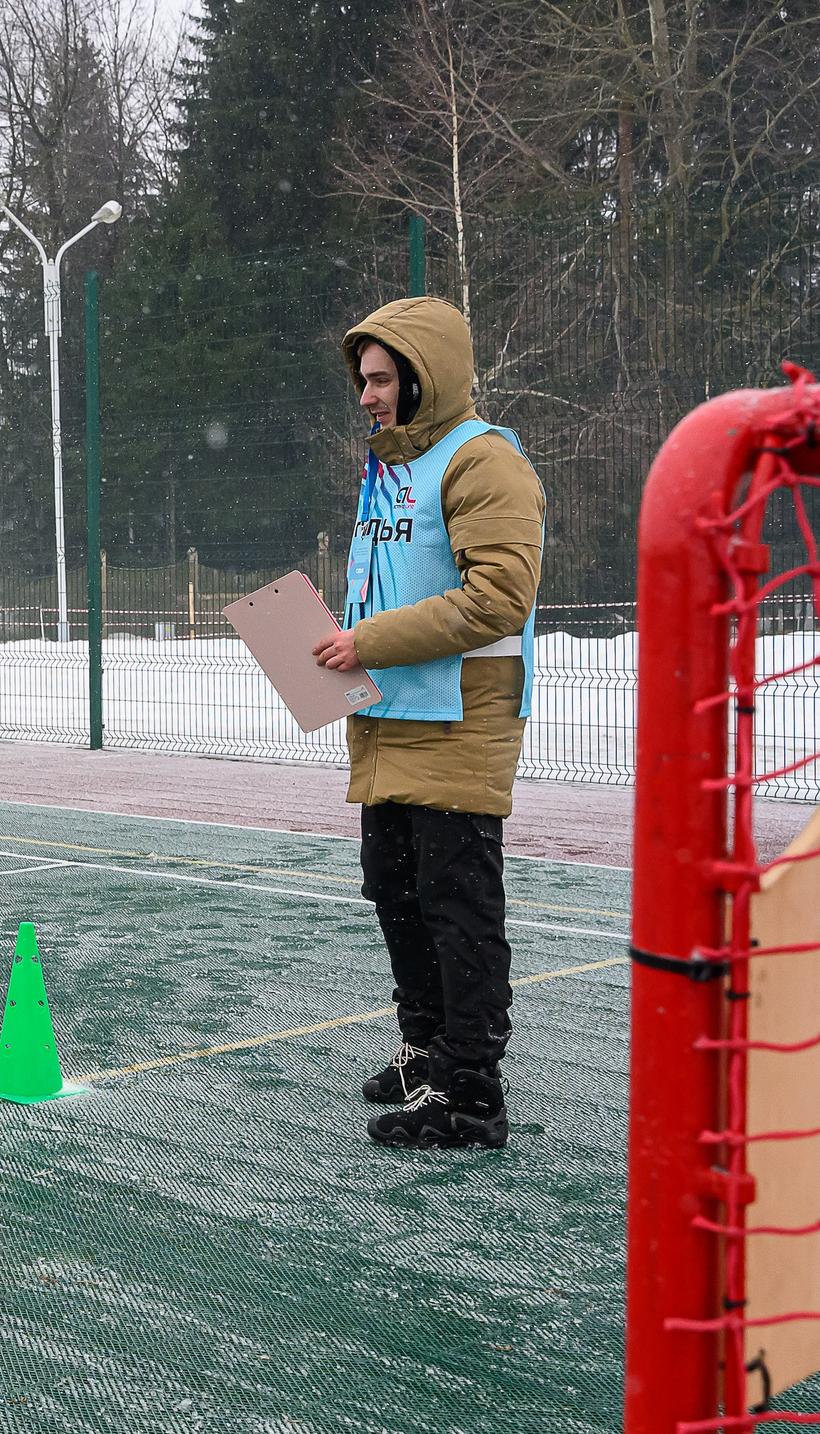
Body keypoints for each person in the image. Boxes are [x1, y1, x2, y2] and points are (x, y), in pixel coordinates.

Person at [309, 297, 545, 1152]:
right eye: (362, 381)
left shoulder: (484, 462)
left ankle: (472, 1091)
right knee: (395, 891)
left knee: (458, 907)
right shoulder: (389, 468)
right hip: (390, 716)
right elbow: (392, 586)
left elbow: (498, 598)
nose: (367, 396)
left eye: (380, 380)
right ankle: (426, 1051)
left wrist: (363, 640)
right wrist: (329, 649)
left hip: (458, 722)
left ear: (421, 375)